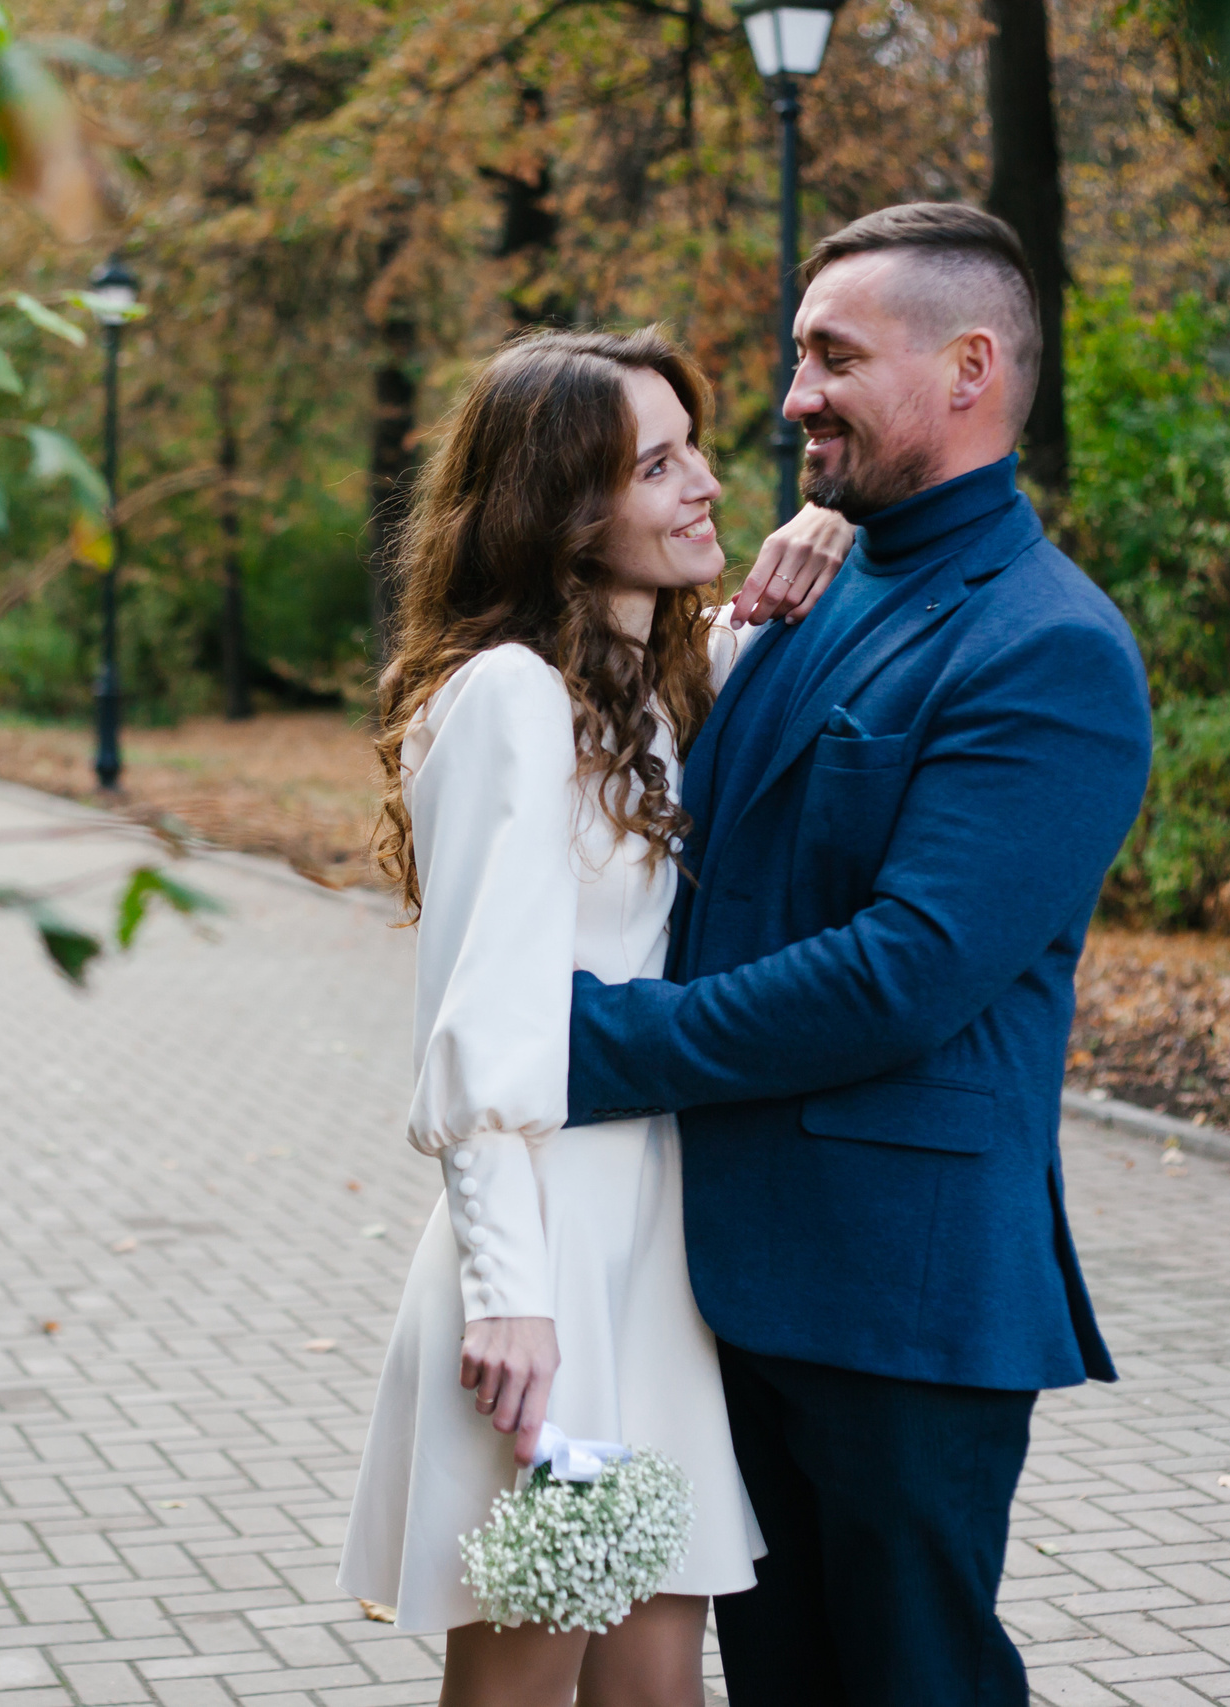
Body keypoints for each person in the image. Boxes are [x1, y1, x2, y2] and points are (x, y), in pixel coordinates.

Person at [562, 203, 1154, 1703]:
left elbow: (904, 971)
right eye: (798, 353)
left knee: (914, 1681)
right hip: (716, 1275)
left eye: (833, 356)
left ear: (968, 369)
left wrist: (587, 1044)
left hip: (902, 1303)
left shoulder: (1048, 646)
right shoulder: (815, 584)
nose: (793, 394)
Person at [337, 327, 852, 1707]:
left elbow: (760, 632)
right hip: (549, 1263)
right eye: (657, 463)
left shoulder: (647, 693)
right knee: (522, 1679)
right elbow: (481, 1026)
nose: (703, 484)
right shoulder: (509, 698)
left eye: (698, 446)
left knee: (654, 1683)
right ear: (564, 511)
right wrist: (515, 1302)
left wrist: (826, 525)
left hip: (653, 1262)